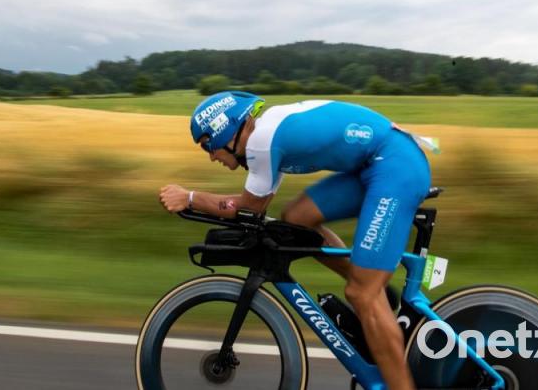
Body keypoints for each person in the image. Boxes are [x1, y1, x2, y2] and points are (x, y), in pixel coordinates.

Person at [159, 90, 435, 390]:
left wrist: (189, 197)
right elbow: (255, 206)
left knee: (362, 294)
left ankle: (373, 303)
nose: (212, 156)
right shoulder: (263, 138)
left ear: (226, 131)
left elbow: (250, 208)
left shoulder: (260, 144)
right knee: (296, 218)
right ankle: (370, 289)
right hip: (376, 163)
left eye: (208, 146)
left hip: (395, 165)